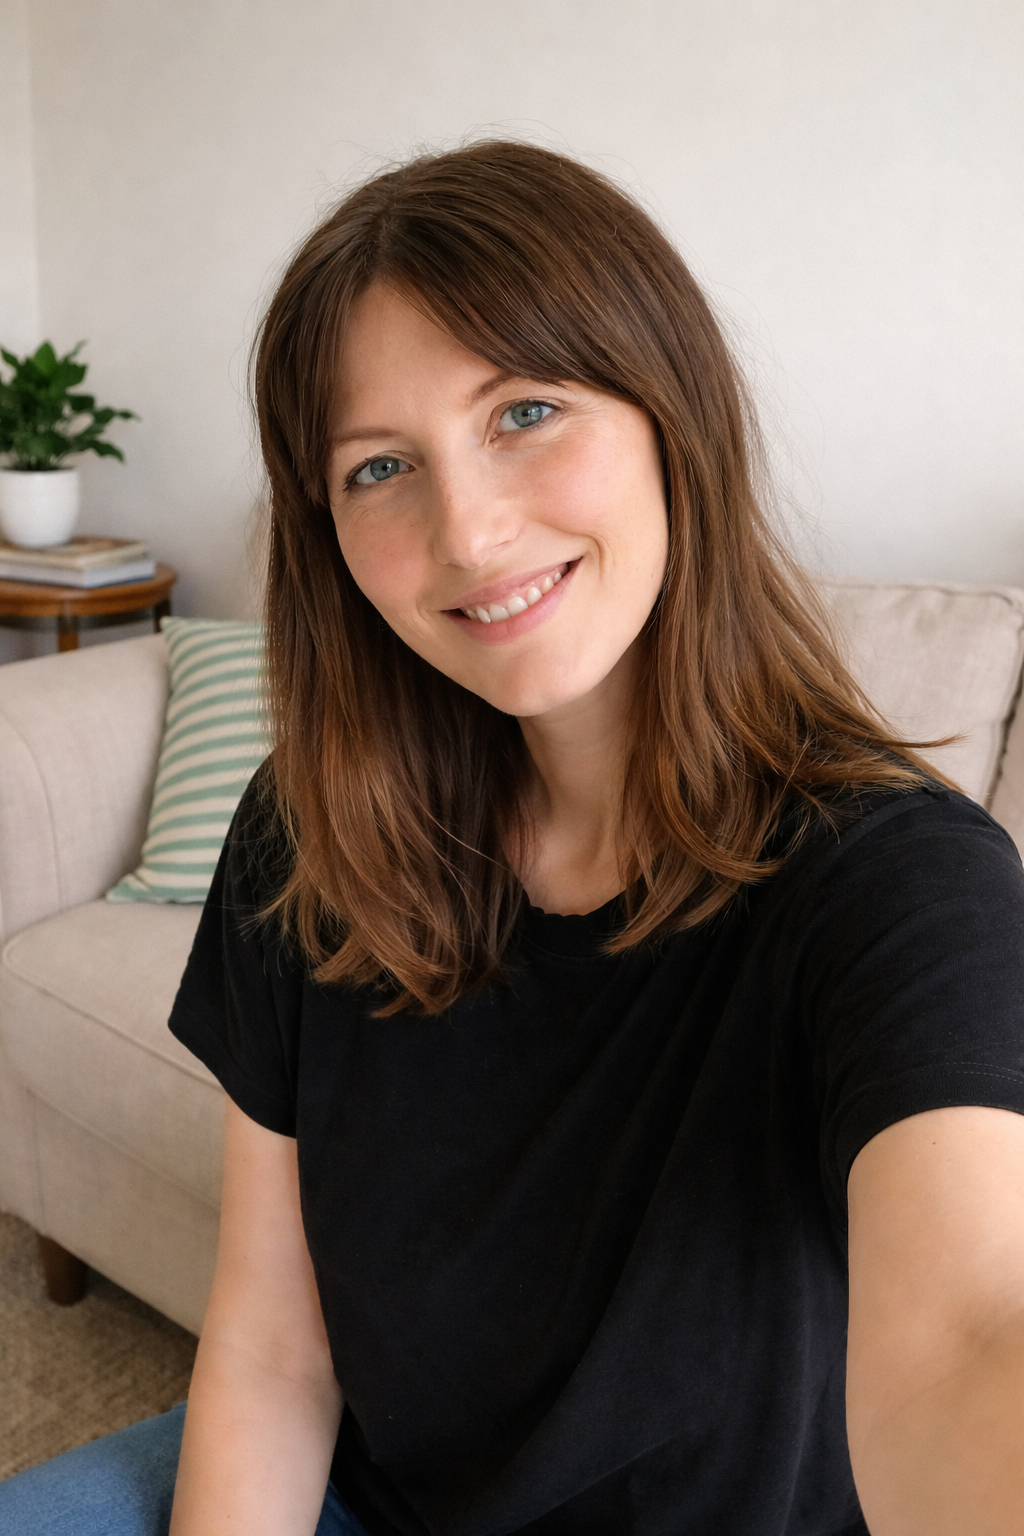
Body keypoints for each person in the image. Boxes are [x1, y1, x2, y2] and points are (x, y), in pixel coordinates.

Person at [3, 140, 1022, 1536]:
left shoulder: (902, 885)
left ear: (673, 414)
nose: (470, 533)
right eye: (377, 467)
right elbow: (273, 1345)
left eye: (526, 409)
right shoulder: (305, 832)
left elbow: (970, 1342)